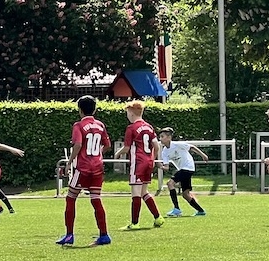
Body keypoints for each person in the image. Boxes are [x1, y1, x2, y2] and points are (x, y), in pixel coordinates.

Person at [57, 95, 113, 246]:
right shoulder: (100, 125)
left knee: (70, 198)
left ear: (80, 110)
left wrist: (69, 163)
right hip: (97, 167)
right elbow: (107, 145)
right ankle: (104, 235)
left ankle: (69, 235)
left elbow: (78, 145)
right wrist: (98, 153)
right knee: (96, 199)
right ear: (94, 110)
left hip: (82, 168)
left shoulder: (79, 125)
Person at [119, 100, 164, 231]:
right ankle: (158, 217)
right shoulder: (149, 127)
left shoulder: (131, 128)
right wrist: (152, 159)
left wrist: (117, 153)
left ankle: (135, 223)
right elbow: (156, 146)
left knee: (136, 192)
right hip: (148, 162)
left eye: (127, 112)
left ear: (131, 113)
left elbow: (127, 148)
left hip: (137, 162)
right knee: (144, 191)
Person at [157, 128, 208, 217]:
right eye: (160, 137)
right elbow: (167, 167)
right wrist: (161, 166)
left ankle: (177, 209)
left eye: (162, 136)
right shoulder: (164, 152)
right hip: (184, 170)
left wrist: (203, 155)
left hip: (188, 167)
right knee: (185, 194)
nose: (160, 139)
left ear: (169, 137)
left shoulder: (178, 144)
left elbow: (191, 147)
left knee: (170, 183)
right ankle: (201, 211)